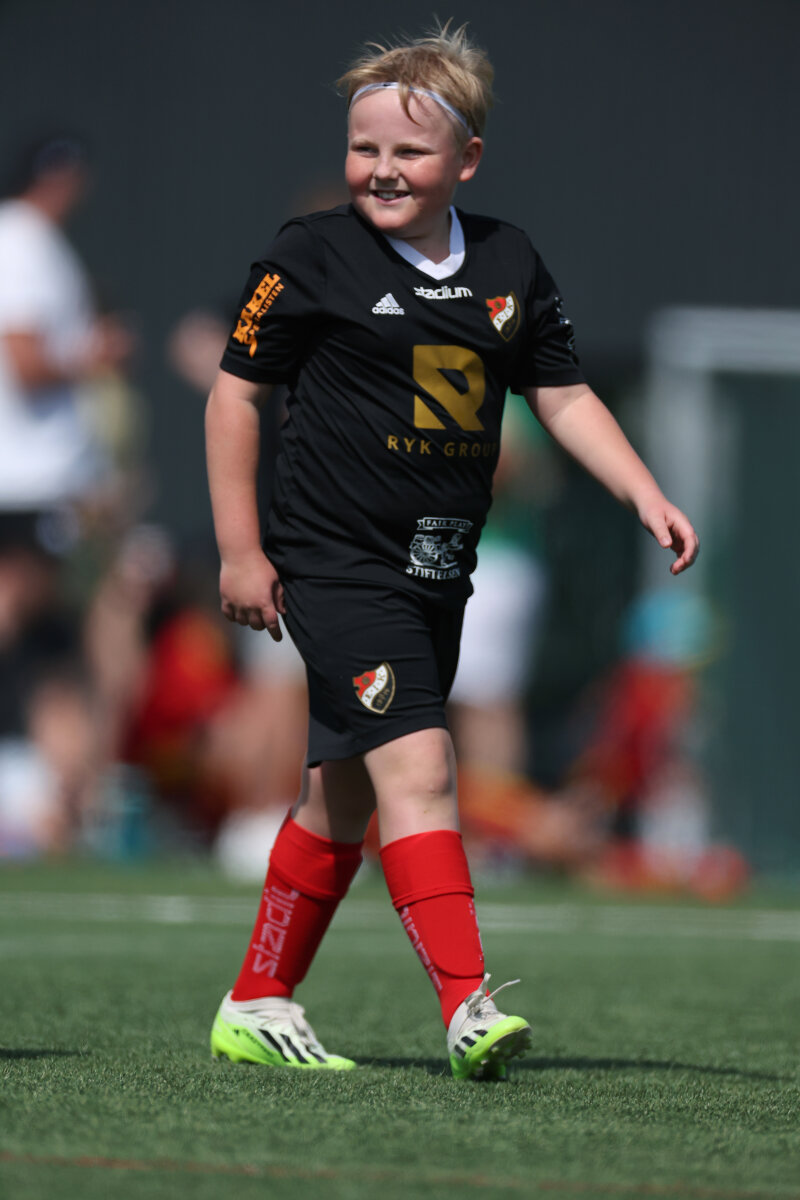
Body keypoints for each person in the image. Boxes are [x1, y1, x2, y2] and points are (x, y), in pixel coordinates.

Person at [204, 23, 699, 1080]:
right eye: (364, 148)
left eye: (408, 151)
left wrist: (644, 491)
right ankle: (467, 1005)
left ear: (466, 159)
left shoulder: (510, 260)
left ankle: (256, 1000)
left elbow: (561, 395)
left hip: (438, 571)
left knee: (342, 795)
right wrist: (241, 551)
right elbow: (234, 397)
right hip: (337, 564)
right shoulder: (310, 254)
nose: (381, 169)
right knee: (422, 769)